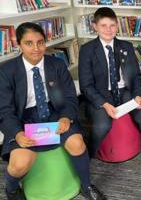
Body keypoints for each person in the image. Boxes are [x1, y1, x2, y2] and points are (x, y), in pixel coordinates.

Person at [0, 22, 106, 200]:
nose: (36, 48)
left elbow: (70, 97)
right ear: (19, 44)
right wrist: (17, 133)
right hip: (24, 120)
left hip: (54, 113)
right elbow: (4, 110)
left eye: (40, 42)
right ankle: (11, 190)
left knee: (78, 144)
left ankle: (86, 186)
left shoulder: (56, 64)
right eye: (29, 43)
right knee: (20, 163)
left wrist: (66, 117)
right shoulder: (6, 71)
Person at [79, 7, 141, 157]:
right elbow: (86, 86)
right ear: (95, 26)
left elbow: (135, 76)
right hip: (101, 94)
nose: (108, 30)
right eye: (103, 25)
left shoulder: (126, 47)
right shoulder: (87, 50)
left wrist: (138, 95)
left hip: (124, 92)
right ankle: (89, 154)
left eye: (112, 25)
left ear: (117, 26)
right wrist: (104, 104)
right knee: (102, 125)